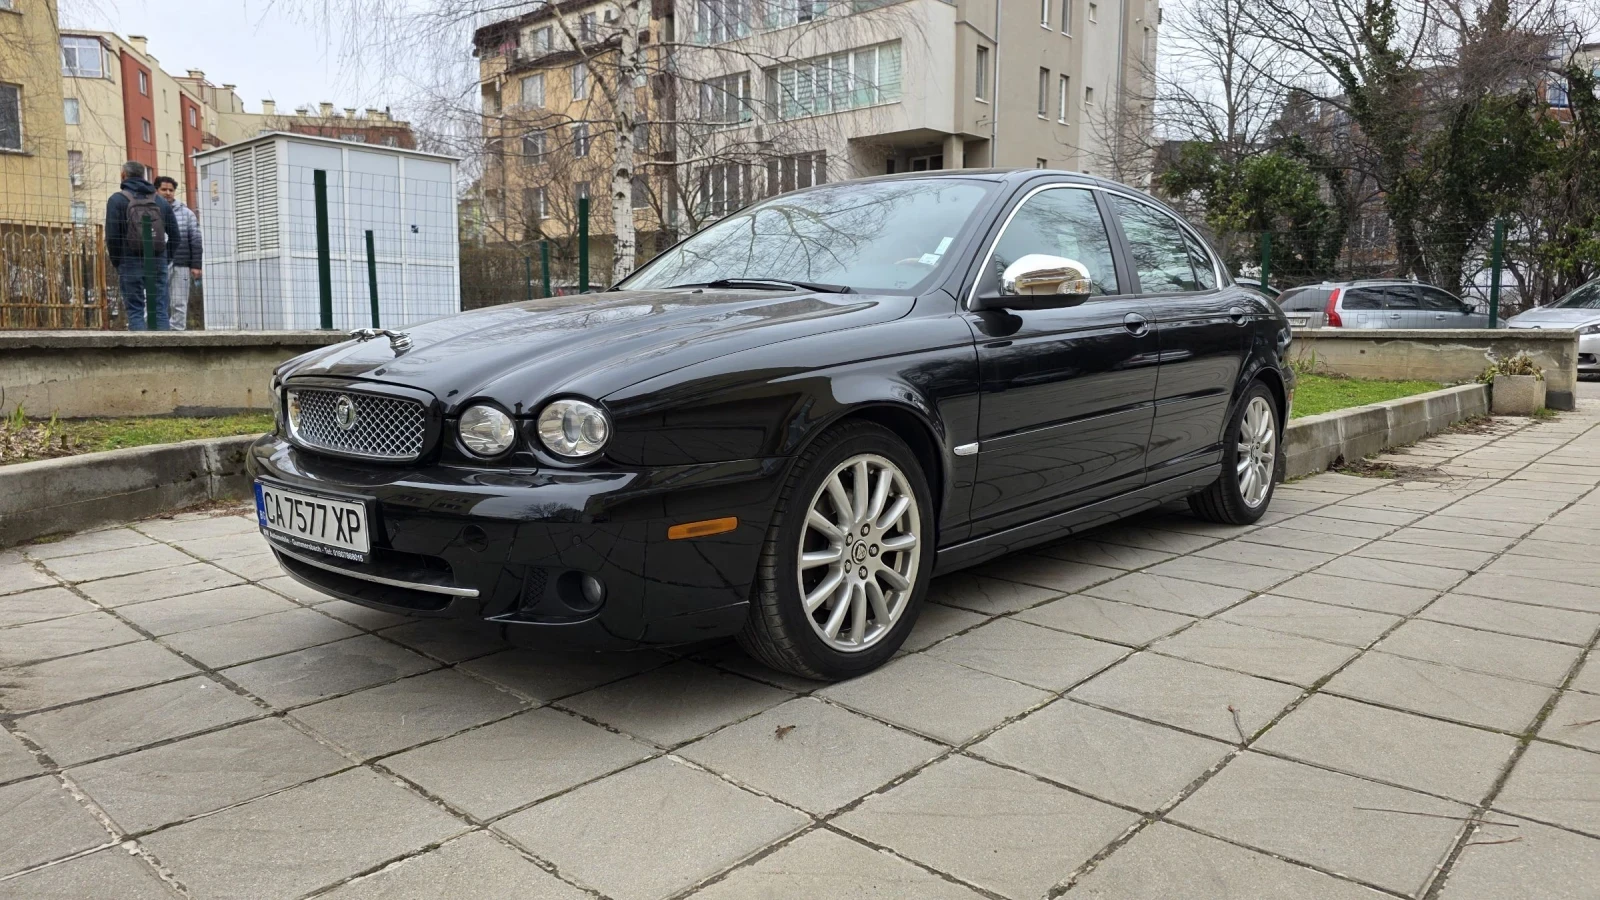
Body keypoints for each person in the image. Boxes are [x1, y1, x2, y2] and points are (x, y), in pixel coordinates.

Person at [105, 161, 179, 330]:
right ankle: (163, 346)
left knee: (135, 310)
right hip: (157, 260)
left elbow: (112, 236)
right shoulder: (160, 201)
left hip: (129, 261)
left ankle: (140, 346)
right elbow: (175, 235)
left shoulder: (117, 200)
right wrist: (165, 258)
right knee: (160, 309)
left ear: (123, 175)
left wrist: (118, 261)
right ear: (144, 176)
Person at [155, 176, 202, 330]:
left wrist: (196, 265)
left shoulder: (186, 213)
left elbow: (195, 239)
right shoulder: (151, 210)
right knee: (153, 300)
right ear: (156, 190)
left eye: (171, 190)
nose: (168, 193)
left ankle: (177, 333)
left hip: (181, 264)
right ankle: (151, 333)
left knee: (179, 302)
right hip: (157, 263)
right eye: (164, 189)